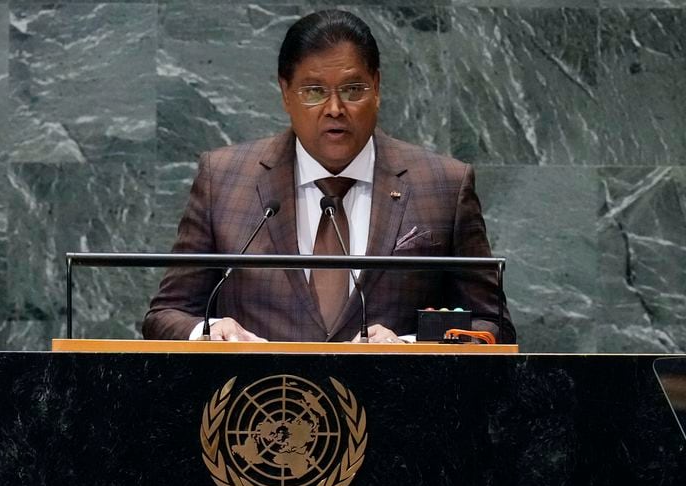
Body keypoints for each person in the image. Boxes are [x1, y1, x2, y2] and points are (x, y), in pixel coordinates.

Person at [143, 10, 515, 344]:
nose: (334, 109)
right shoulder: (223, 180)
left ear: (378, 87)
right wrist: (207, 332)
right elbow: (165, 315)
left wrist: (409, 347)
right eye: (313, 92)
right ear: (285, 93)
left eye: (353, 89)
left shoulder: (445, 185)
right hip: (261, 410)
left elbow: (492, 324)